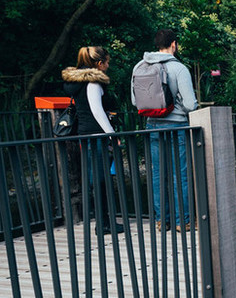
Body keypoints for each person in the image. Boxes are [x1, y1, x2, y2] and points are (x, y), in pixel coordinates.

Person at [131, 29, 198, 230]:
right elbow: (190, 105)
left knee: (158, 174)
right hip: (176, 126)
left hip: (152, 126)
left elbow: (136, 101)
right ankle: (183, 221)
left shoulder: (139, 66)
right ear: (174, 44)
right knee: (181, 174)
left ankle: (162, 220)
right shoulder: (179, 69)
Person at [63, 46, 122, 234]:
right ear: (99, 64)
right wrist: (112, 135)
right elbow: (97, 112)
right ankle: (105, 224)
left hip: (85, 135)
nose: (108, 66)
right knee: (101, 181)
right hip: (97, 136)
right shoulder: (93, 84)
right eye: (107, 62)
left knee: (95, 180)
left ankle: (103, 221)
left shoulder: (78, 83)